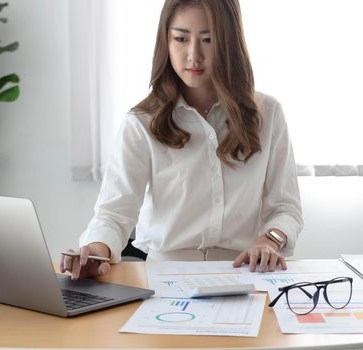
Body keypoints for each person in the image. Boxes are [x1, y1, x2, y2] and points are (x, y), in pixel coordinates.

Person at [61, 0, 303, 279]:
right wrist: (94, 251)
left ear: (229, 42)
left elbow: (286, 208)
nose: (193, 55)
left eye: (208, 39)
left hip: (246, 272)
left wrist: (269, 240)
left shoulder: (268, 114)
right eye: (180, 38)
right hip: (164, 277)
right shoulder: (140, 122)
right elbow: (114, 214)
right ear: (166, 42)